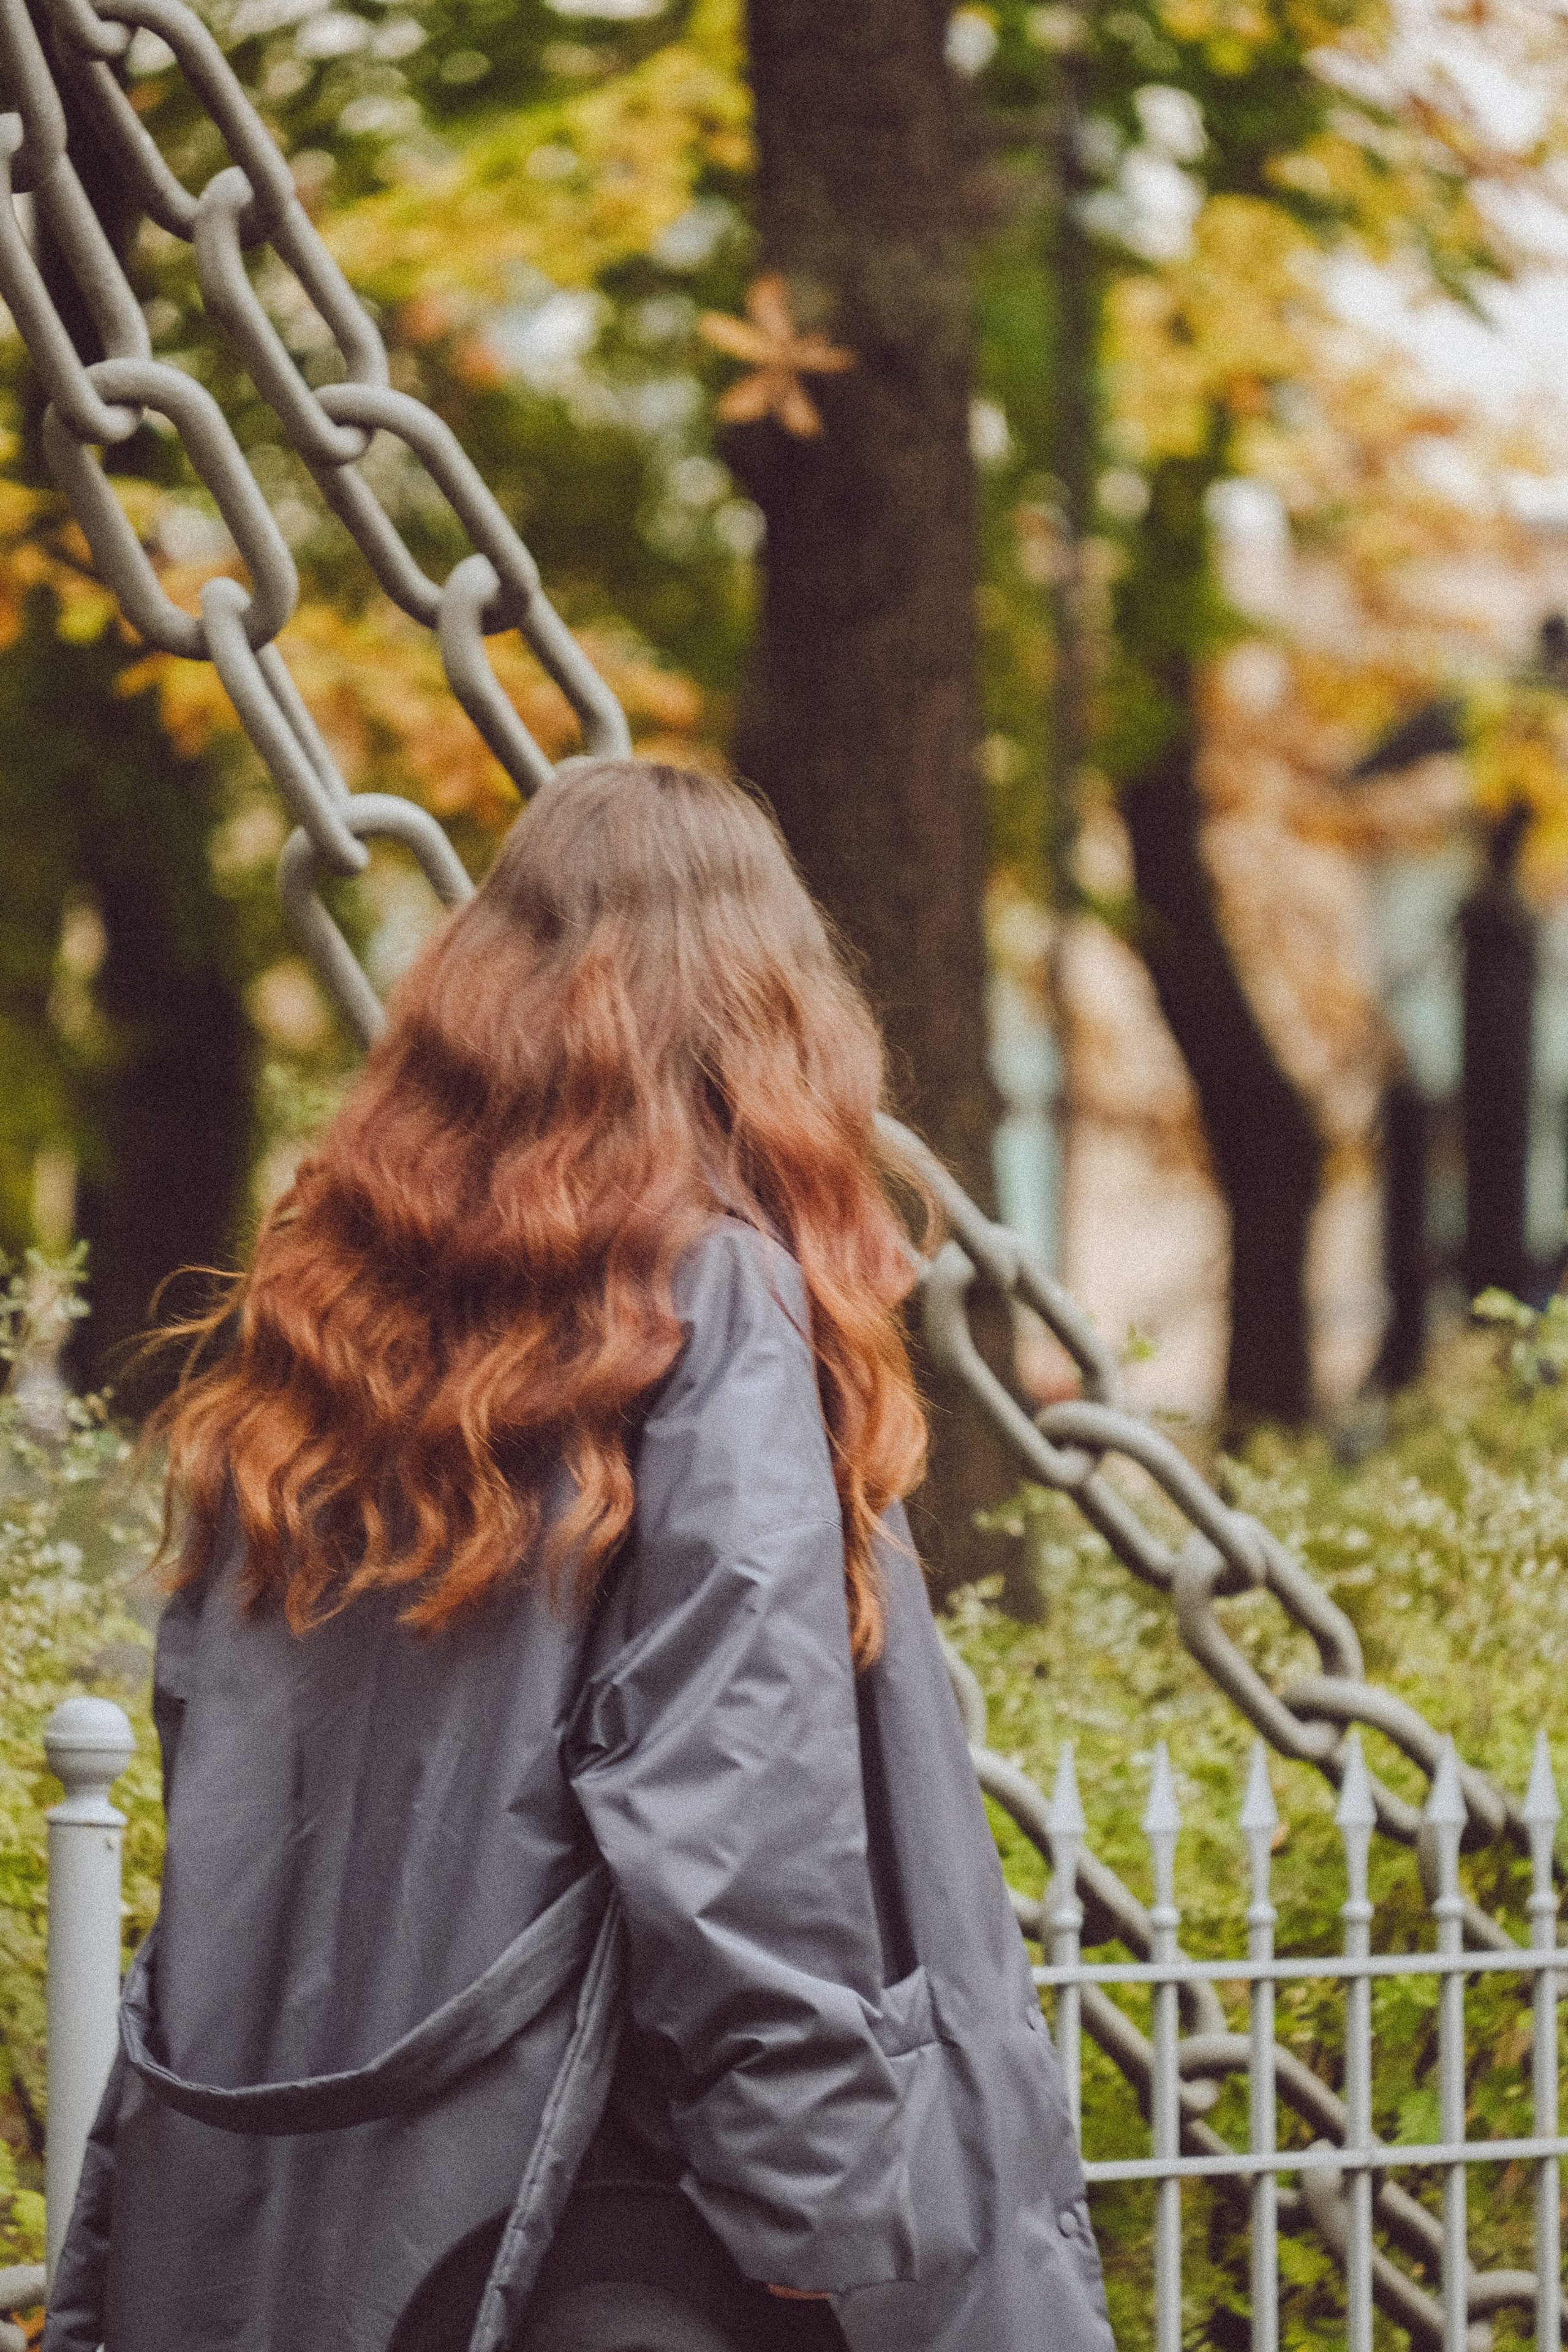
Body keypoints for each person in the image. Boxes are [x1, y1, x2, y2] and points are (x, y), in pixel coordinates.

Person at [43, 760, 1112, 2352]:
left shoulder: (324, 1338)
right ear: (766, 1008)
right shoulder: (721, 1299)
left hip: (343, 2222)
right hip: (615, 2232)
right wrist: (825, 2206)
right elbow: (734, 1800)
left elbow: (228, 1803)